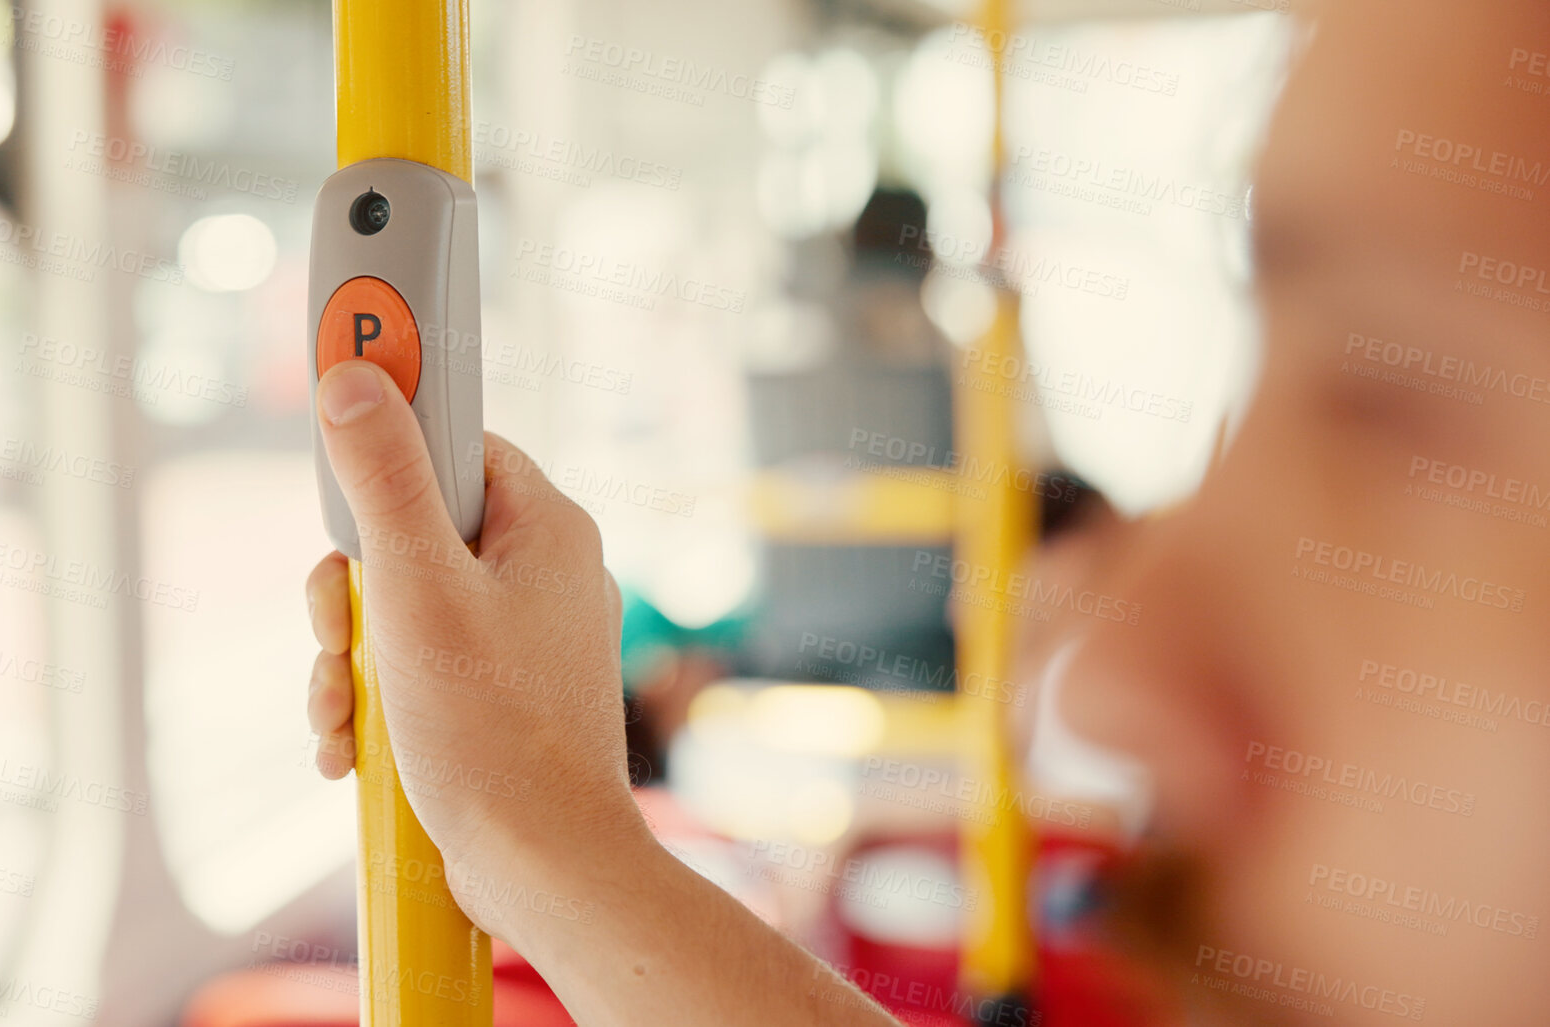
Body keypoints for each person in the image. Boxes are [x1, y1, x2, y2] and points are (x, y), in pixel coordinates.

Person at [302, 1, 1550, 1022]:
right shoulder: (965, 373)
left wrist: (540, 826)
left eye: (1407, 405)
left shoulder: (787, 377)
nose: (1112, 675)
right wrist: (528, 820)